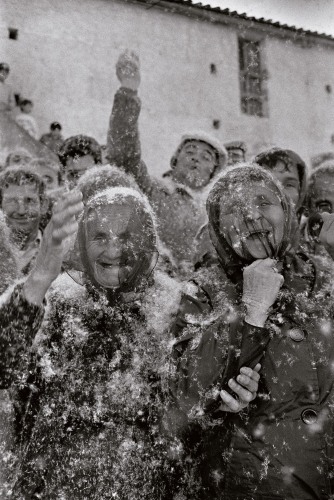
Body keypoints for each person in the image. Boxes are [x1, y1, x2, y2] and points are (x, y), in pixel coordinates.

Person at [1, 176, 259, 498]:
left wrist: (228, 404)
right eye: (99, 236)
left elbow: (194, 413)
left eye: (127, 236)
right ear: (82, 243)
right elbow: (4, 367)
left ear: (149, 242)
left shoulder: (178, 309)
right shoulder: (52, 301)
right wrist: (41, 273)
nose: (113, 249)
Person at [172, 164, 334, 499]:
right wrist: (252, 310)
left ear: (285, 210)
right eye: (234, 209)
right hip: (255, 483)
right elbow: (188, 394)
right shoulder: (202, 291)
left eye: (263, 202)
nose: (251, 216)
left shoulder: (324, 277)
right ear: (218, 226)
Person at [106, 50, 228, 274]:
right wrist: (128, 90)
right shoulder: (152, 189)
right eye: (190, 151)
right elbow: (123, 157)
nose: (195, 158)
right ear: (174, 160)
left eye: (206, 157)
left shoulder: (216, 212)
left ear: (213, 172)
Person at [0, 167, 48, 276]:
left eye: (29, 200)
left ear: (44, 205)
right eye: (12, 201)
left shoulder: (59, 252)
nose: (21, 210)